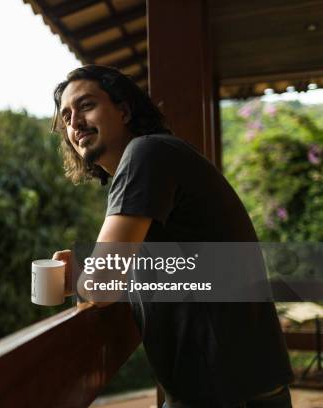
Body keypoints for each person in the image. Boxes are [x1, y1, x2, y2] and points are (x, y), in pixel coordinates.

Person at [50, 65, 294, 407]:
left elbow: (102, 282)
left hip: (226, 396)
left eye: (86, 105)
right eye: (66, 116)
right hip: (229, 390)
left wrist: (80, 279)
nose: (74, 123)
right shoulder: (155, 159)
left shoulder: (146, 154)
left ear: (124, 109)